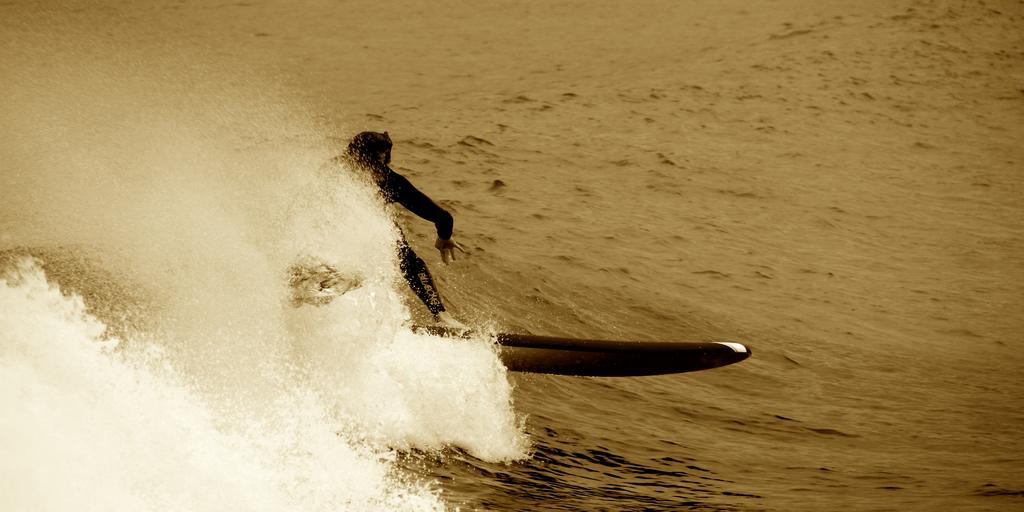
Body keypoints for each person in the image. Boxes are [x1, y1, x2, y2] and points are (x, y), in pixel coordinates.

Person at [343, 131, 467, 328]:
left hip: (364, 237)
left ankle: (441, 315)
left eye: (381, 164)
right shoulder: (335, 176)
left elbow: (442, 217)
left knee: (403, 252)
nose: (377, 170)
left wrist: (444, 236)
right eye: (372, 163)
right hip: (329, 235)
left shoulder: (390, 181)